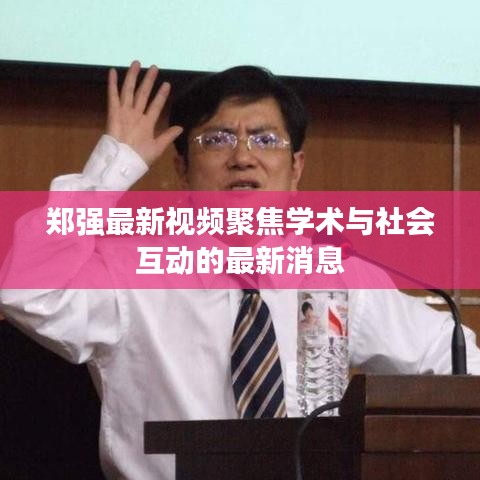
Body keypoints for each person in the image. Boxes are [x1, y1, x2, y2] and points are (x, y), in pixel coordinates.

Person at [1, 61, 480, 480]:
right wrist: (112, 170)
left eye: (266, 139)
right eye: (217, 139)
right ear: (182, 171)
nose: (243, 156)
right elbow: (27, 291)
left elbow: (454, 357)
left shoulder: (335, 275)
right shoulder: (128, 274)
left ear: (295, 170)